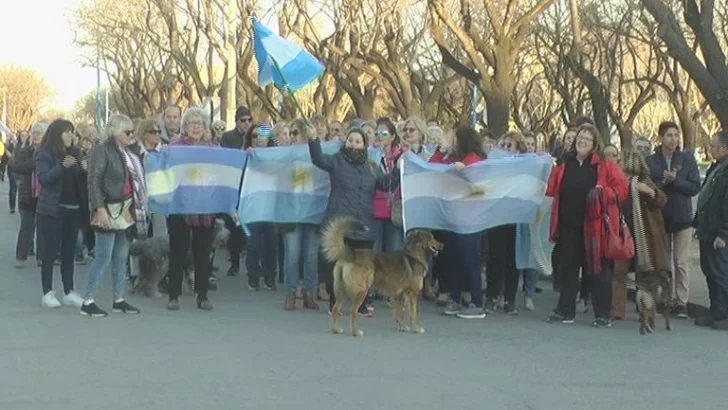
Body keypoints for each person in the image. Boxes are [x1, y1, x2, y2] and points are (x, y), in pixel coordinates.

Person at [309, 126, 399, 315]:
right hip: (340, 221)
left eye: (358, 141)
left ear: (364, 145)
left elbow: (385, 184)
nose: (353, 144)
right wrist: (313, 140)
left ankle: (361, 303)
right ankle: (335, 303)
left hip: (364, 222)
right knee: (338, 267)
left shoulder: (371, 166)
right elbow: (318, 159)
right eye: (350, 140)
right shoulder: (336, 161)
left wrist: (399, 168)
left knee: (363, 267)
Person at [545, 123, 628, 327]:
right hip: (568, 226)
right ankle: (565, 311)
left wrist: (603, 193)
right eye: (579, 138)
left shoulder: (605, 165)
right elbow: (550, 189)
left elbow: (621, 189)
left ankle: (602, 314)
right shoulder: (565, 164)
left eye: (586, 139)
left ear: (594, 143)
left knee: (599, 272)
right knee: (568, 270)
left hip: (595, 227)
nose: (581, 141)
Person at [81, 115, 144, 317]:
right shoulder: (101, 151)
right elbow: (94, 181)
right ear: (116, 132)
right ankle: (88, 300)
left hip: (126, 209)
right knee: (103, 257)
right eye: (127, 132)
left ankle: (119, 298)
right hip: (108, 208)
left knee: (121, 257)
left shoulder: (129, 152)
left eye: (132, 132)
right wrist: (99, 209)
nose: (131, 135)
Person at [165, 107, 219, 311]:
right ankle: (174, 295)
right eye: (192, 123)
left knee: (203, 253)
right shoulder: (176, 146)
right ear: (184, 126)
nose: (196, 127)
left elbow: (220, 174)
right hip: (180, 206)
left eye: (200, 123)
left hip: (205, 208)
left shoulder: (213, 149)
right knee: (178, 251)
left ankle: (202, 295)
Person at [431, 126, 487, 319]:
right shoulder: (451, 157)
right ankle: (454, 299)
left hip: (470, 219)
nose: (448, 138)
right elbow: (432, 168)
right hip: (451, 217)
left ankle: (477, 302)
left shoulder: (473, 158)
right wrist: (441, 151)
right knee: (452, 259)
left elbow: (480, 184)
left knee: (470, 260)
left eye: (451, 136)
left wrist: (465, 172)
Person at [646, 121, 701, 319]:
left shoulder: (687, 160)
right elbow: (649, 188)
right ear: (661, 137)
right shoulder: (651, 161)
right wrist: (664, 182)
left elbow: (695, 187)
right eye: (669, 135)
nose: (673, 139)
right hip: (660, 217)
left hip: (683, 218)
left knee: (681, 262)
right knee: (663, 262)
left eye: (676, 135)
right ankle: (664, 299)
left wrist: (676, 181)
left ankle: (681, 301)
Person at [612, 149, 669, 320]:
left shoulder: (643, 181)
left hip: (644, 237)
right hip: (622, 235)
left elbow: (661, 199)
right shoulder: (619, 182)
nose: (618, 164)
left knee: (644, 275)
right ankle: (616, 311)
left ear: (629, 163)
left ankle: (647, 312)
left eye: (620, 160)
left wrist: (651, 192)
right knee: (618, 273)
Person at [35, 119, 86, 309]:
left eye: (73, 132)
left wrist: (83, 169)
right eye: (67, 132)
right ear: (58, 134)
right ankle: (47, 292)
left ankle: (69, 291)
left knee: (68, 253)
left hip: (73, 210)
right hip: (52, 210)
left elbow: (79, 182)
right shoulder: (45, 153)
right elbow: (44, 179)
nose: (72, 136)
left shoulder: (75, 153)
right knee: (50, 252)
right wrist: (62, 166)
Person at [484, 131, 527, 315]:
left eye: (509, 145)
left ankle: (510, 298)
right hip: (496, 216)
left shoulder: (525, 164)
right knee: (494, 258)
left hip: (515, 218)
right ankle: (492, 296)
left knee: (512, 260)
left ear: (518, 148)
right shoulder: (493, 163)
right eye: (503, 145)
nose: (505, 149)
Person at [282, 118, 320, 311]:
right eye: (290, 133)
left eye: (295, 133)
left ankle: (309, 293)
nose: (292, 137)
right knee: (293, 254)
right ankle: (290, 293)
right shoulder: (285, 155)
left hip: (313, 212)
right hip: (291, 212)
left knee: (311, 255)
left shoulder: (317, 153)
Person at [693, 130, 728, 330]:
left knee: (721, 273)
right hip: (707, 230)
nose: (711, 150)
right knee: (710, 272)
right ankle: (716, 309)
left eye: (714, 147)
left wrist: (724, 233)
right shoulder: (717, 167)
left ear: (725, 148)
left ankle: (724, 312)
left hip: (719, 234)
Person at [12, 124, 47, 268]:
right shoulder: (26, 150)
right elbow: (16, 166)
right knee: (26, 226)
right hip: (27, 194)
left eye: (40, 133)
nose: (37, 135)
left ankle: (42, 257)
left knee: (42, 228)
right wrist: (33, 164)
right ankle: (21, 257)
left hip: (43, 195)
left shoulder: (49, 152)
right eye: (35, 133)